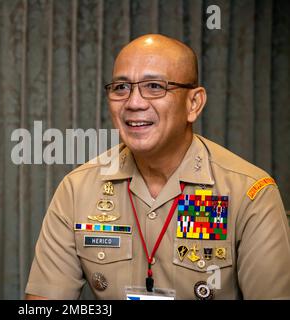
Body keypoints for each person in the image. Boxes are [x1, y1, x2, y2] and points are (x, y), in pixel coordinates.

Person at [25, 34, 290, 300]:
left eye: (154, 86)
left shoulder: (250, 192)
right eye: (121, 88)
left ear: (193, 103)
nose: (133, 102)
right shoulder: (77, 189)